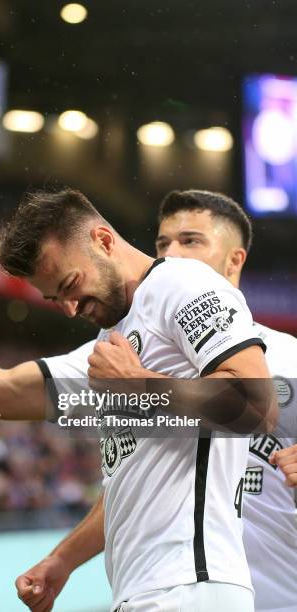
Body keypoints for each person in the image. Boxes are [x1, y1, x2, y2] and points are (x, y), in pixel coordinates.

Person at [0, 189, 276, 612]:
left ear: (103, 240)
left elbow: (257, 405)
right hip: (146, 589)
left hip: (190, 584)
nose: (69, 308)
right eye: (55, 299)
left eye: (70, 285)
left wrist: (141, 386)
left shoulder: (182, 283)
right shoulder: (109, 348)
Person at [155, 190, 297, 612]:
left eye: (190, 241)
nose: (170, 257)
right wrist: (62, 560)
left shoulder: (288, 359)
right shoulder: (140, 356)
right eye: (162, 244)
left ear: (234, 261)